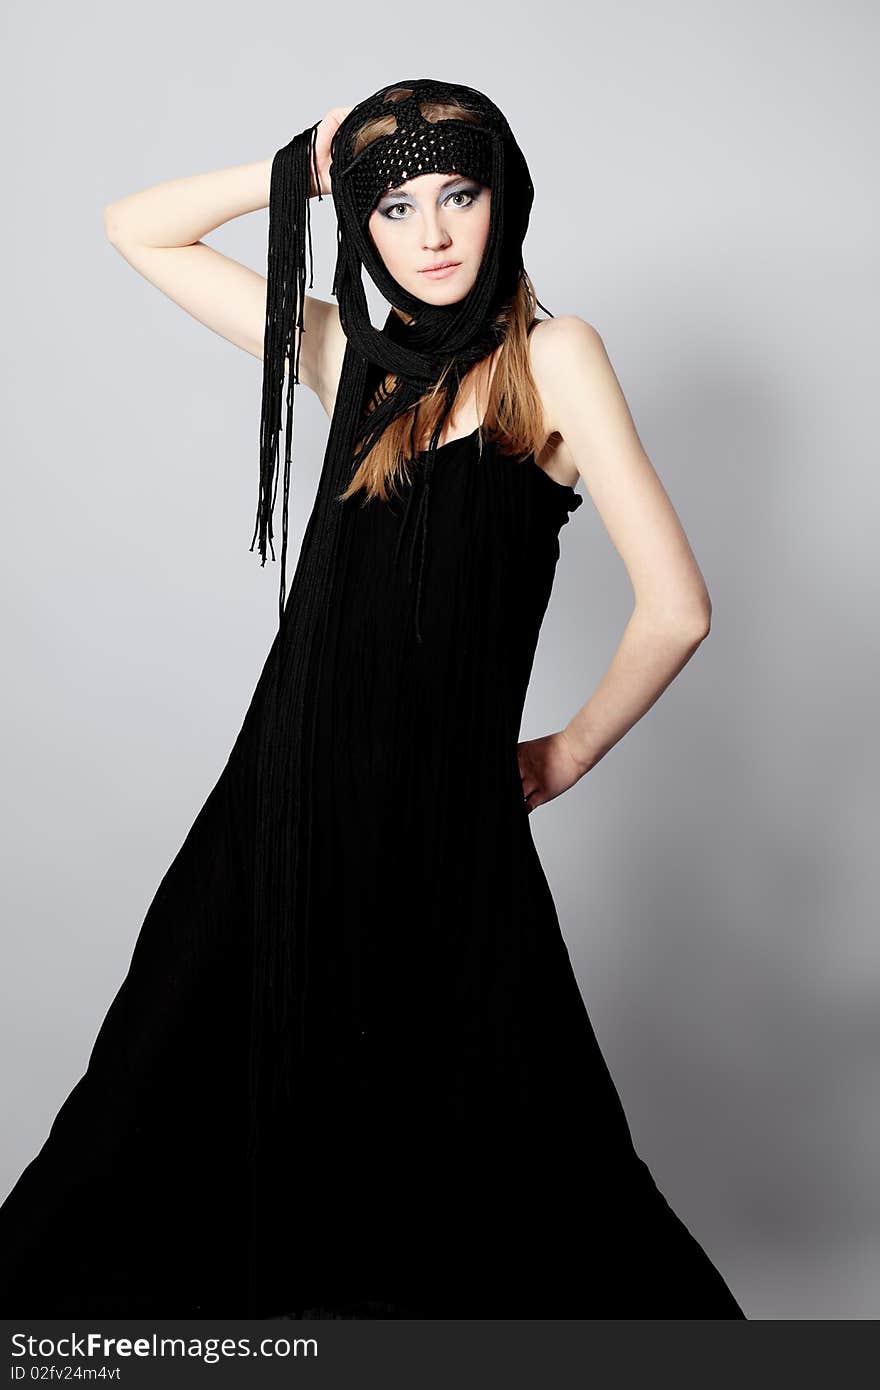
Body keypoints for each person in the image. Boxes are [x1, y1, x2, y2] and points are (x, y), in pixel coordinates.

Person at [0, 78, 745, 1319]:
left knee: (516, 1149)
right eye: (393, 205)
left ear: (504, 200)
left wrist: (563, 753)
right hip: (273, 820)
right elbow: (138, 227)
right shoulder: (348, 360)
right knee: (143, 1118)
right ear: (357, 222)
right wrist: (299, 165)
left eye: (459, 192)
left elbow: (676, 606)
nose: (436, 232)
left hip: (439, 843)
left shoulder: (552, 360)